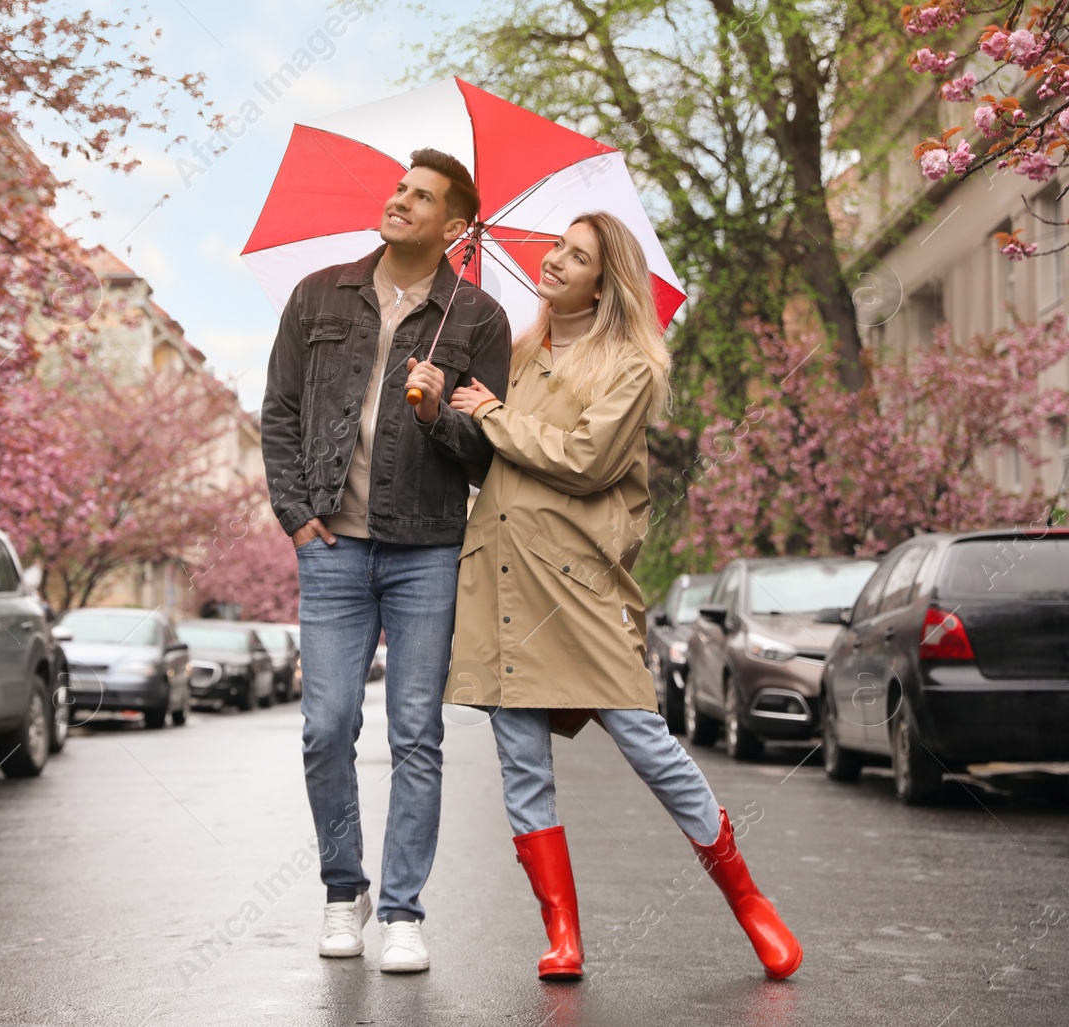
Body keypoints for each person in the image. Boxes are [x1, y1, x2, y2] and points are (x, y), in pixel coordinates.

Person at [410, 211, 802, 982]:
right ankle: (561, 933)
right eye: (556, 246)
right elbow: (486, 463)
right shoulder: (513, 352)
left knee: (648, 742)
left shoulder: (630, 364)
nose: (555, 259)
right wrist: (433, 409)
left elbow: (586, 461)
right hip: (502, 573)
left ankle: (751, 902)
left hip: (579, 584)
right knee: (520, 760)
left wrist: (492, 413)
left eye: (576, 255)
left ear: (604, 277)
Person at [261, 148, 511, 972]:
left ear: (456, 225)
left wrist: (442, 410)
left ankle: (402, 910)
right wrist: (296, 517)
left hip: (427, 548)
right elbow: (281, 412)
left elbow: (486, 457)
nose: (400, 201)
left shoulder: (477, 318)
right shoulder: (318, 294)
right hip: (332, 542)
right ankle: (344, 891)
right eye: (400, 188)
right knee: (326, 727)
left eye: (422, 196)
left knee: (416, 734)